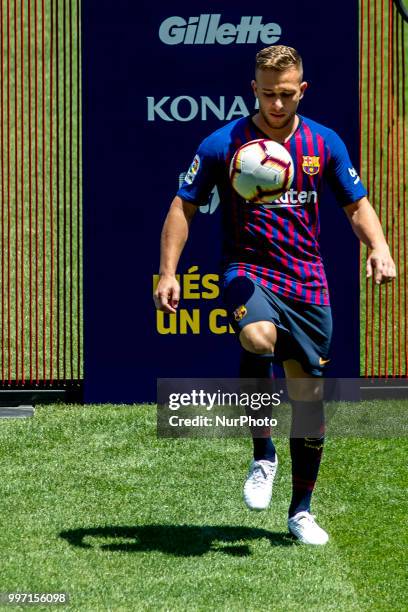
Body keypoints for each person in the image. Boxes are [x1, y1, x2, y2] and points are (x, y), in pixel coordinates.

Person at [153, 45, 396, 545]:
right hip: (247, 269)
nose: (277, 105)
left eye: (286, 95)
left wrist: (379, 246)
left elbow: (356, 204)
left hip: (307, 279)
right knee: (258, 338)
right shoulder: (224, 143)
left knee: (308, 399)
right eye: (267, 94)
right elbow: (184, 206)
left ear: (301, 90)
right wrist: (168, 272)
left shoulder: (324, 144)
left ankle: (300, 512)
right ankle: (263, 455)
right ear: (254, 90)